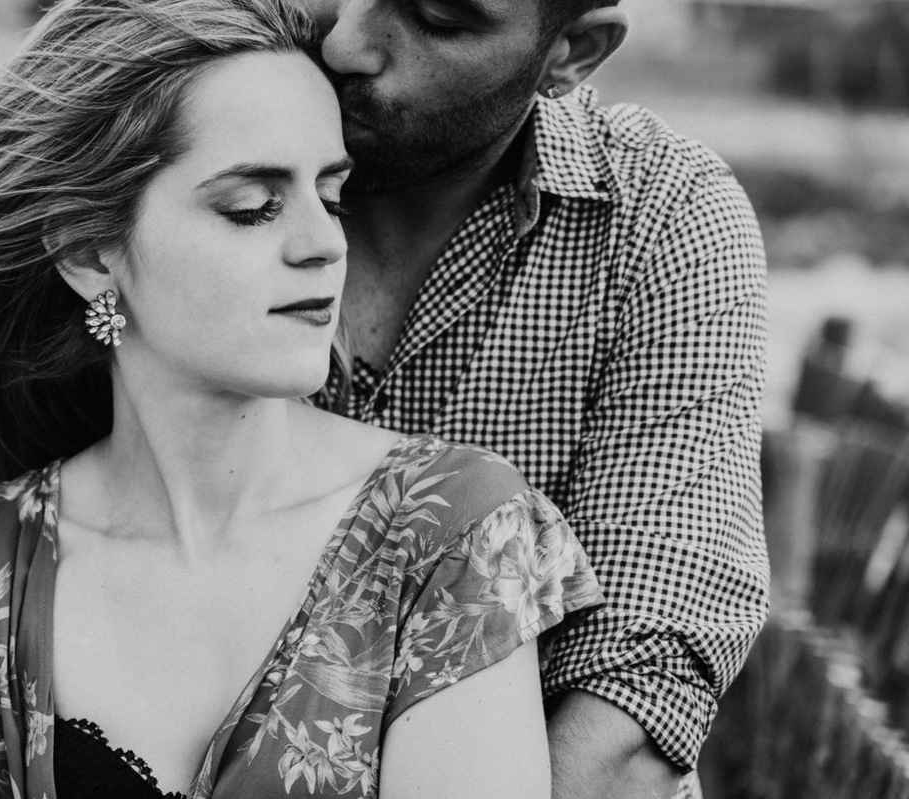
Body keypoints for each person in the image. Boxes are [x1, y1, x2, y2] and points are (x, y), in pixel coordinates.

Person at [0, 0, 603, 797]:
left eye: (331, 197)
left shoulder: (449, 537)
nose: (324, 244)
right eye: (253, 206)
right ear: (89, 251)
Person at [296, 1, 771, 798]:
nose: (344, 42)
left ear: (571, 52)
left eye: (436, 16)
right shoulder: (178, 140)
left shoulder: (660, 217)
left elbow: (631, 702)